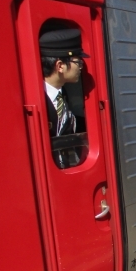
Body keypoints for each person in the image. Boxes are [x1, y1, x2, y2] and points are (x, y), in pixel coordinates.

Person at [40, 28, 89, 168]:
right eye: (78, 62)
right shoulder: (39, 101)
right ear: (60, 66)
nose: (80, 67)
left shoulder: (62, 95)